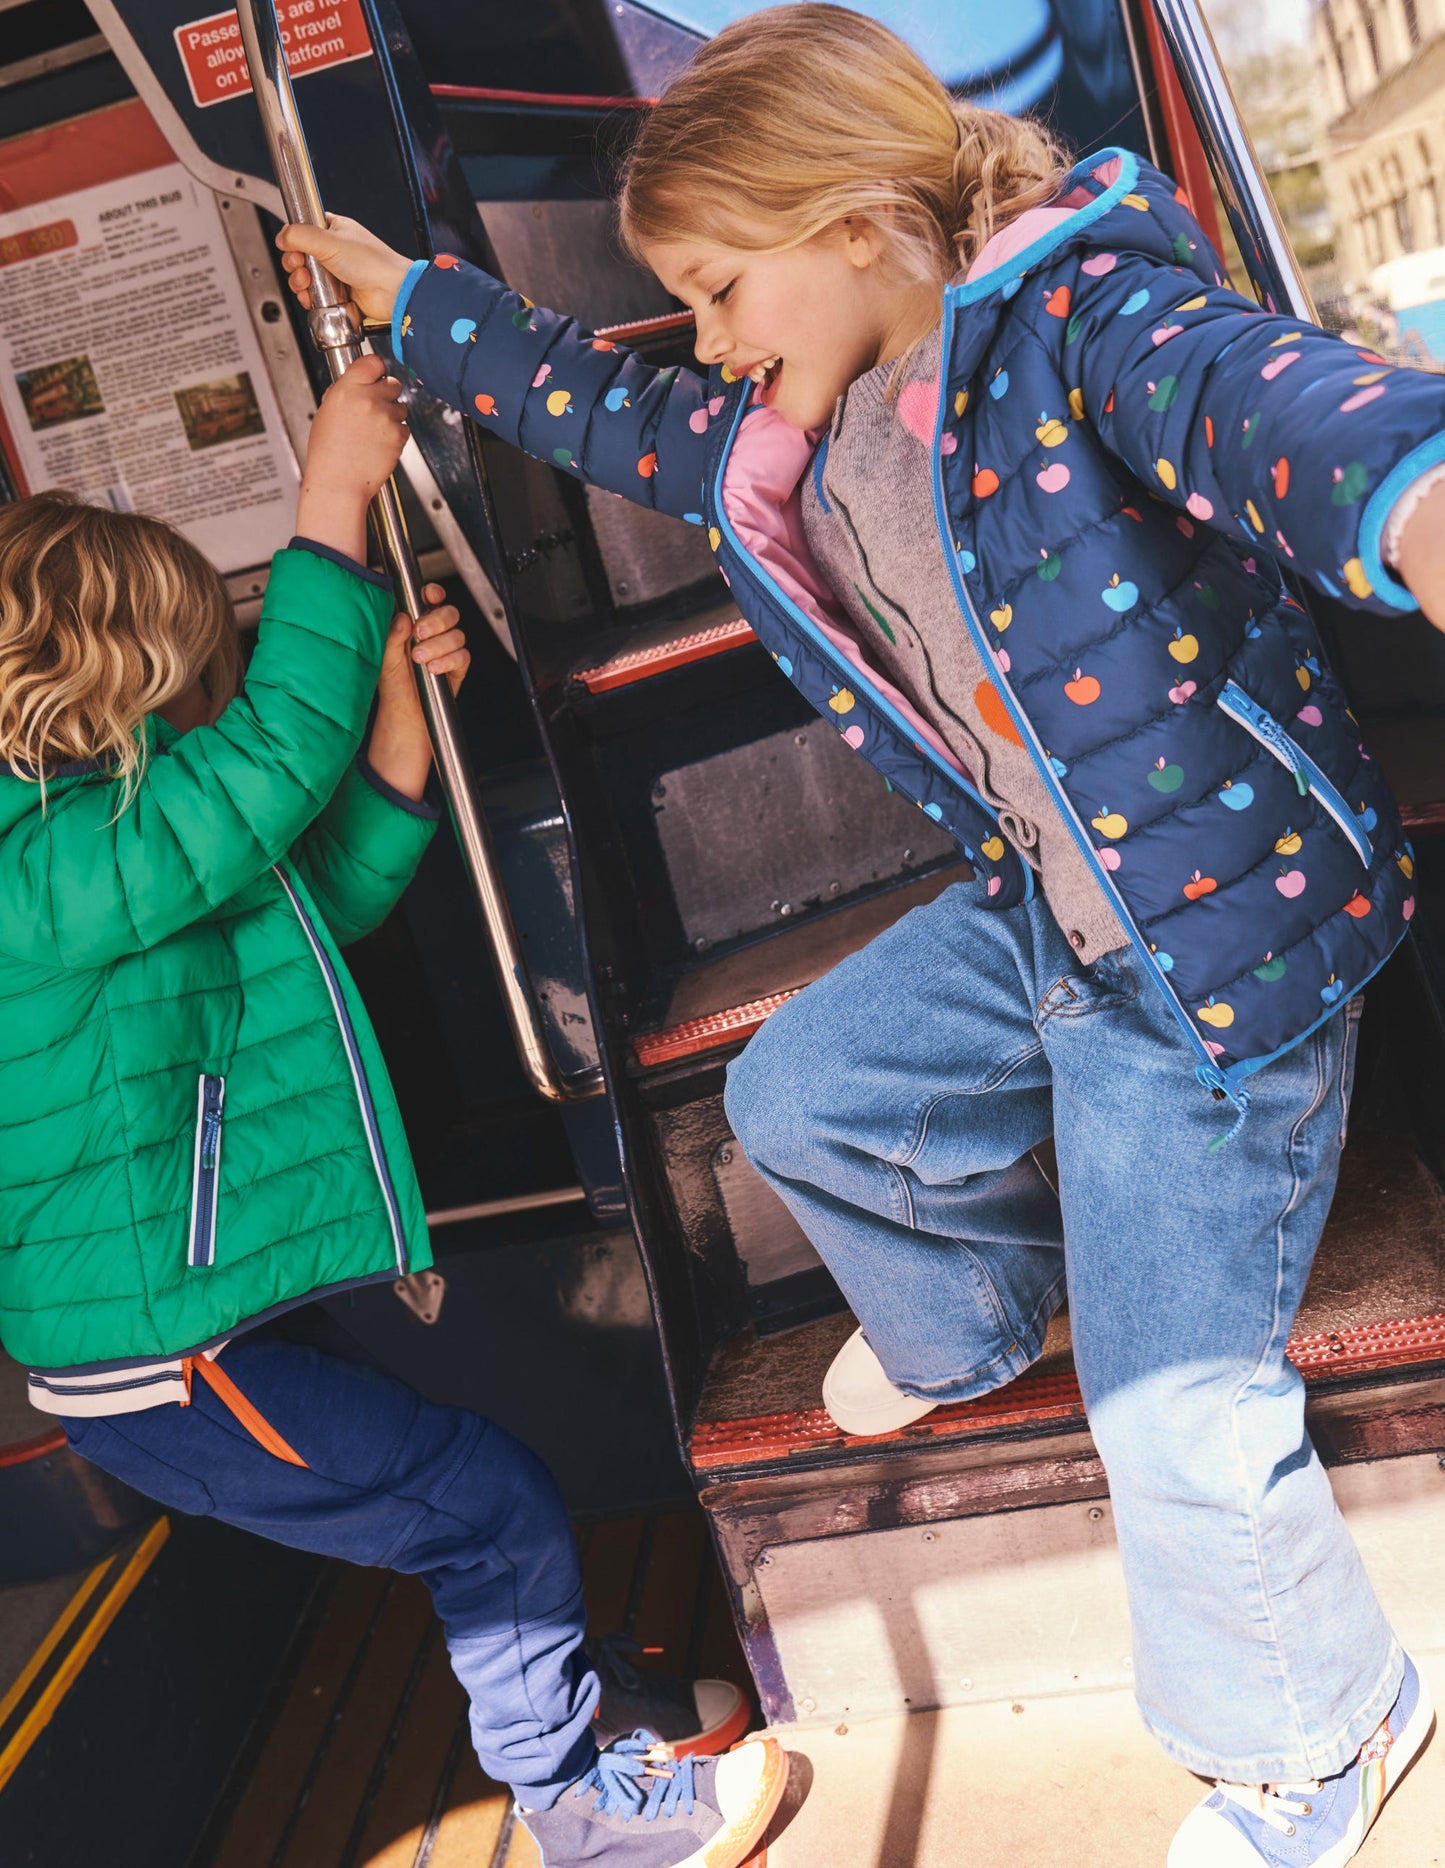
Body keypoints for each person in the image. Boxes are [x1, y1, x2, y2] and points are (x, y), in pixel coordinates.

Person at [274, 6, 1445, 1859]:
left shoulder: (1086, 322)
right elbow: (615, 408)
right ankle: (973, 1322)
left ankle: (1317, 1734)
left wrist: (1416, 498)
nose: (714, 341)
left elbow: (1272, 408)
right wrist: (412, 299)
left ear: (861, 222)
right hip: (1051, 918)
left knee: (1170, 1408)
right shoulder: (791, 435)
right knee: (805, 1090)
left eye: (726, 291)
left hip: (1212, 968)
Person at [0, 354, 786, 1868]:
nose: (226, 689)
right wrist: (333, 500)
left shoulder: (138, 836)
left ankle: (570, 1711)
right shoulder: (35, 862)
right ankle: (587, 1815)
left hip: (224, 1312)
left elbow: (336, 897)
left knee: (464, 1512)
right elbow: (266, 768)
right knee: (481, 1501)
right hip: (160, 1359)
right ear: (121, 665)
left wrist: (398, 707)